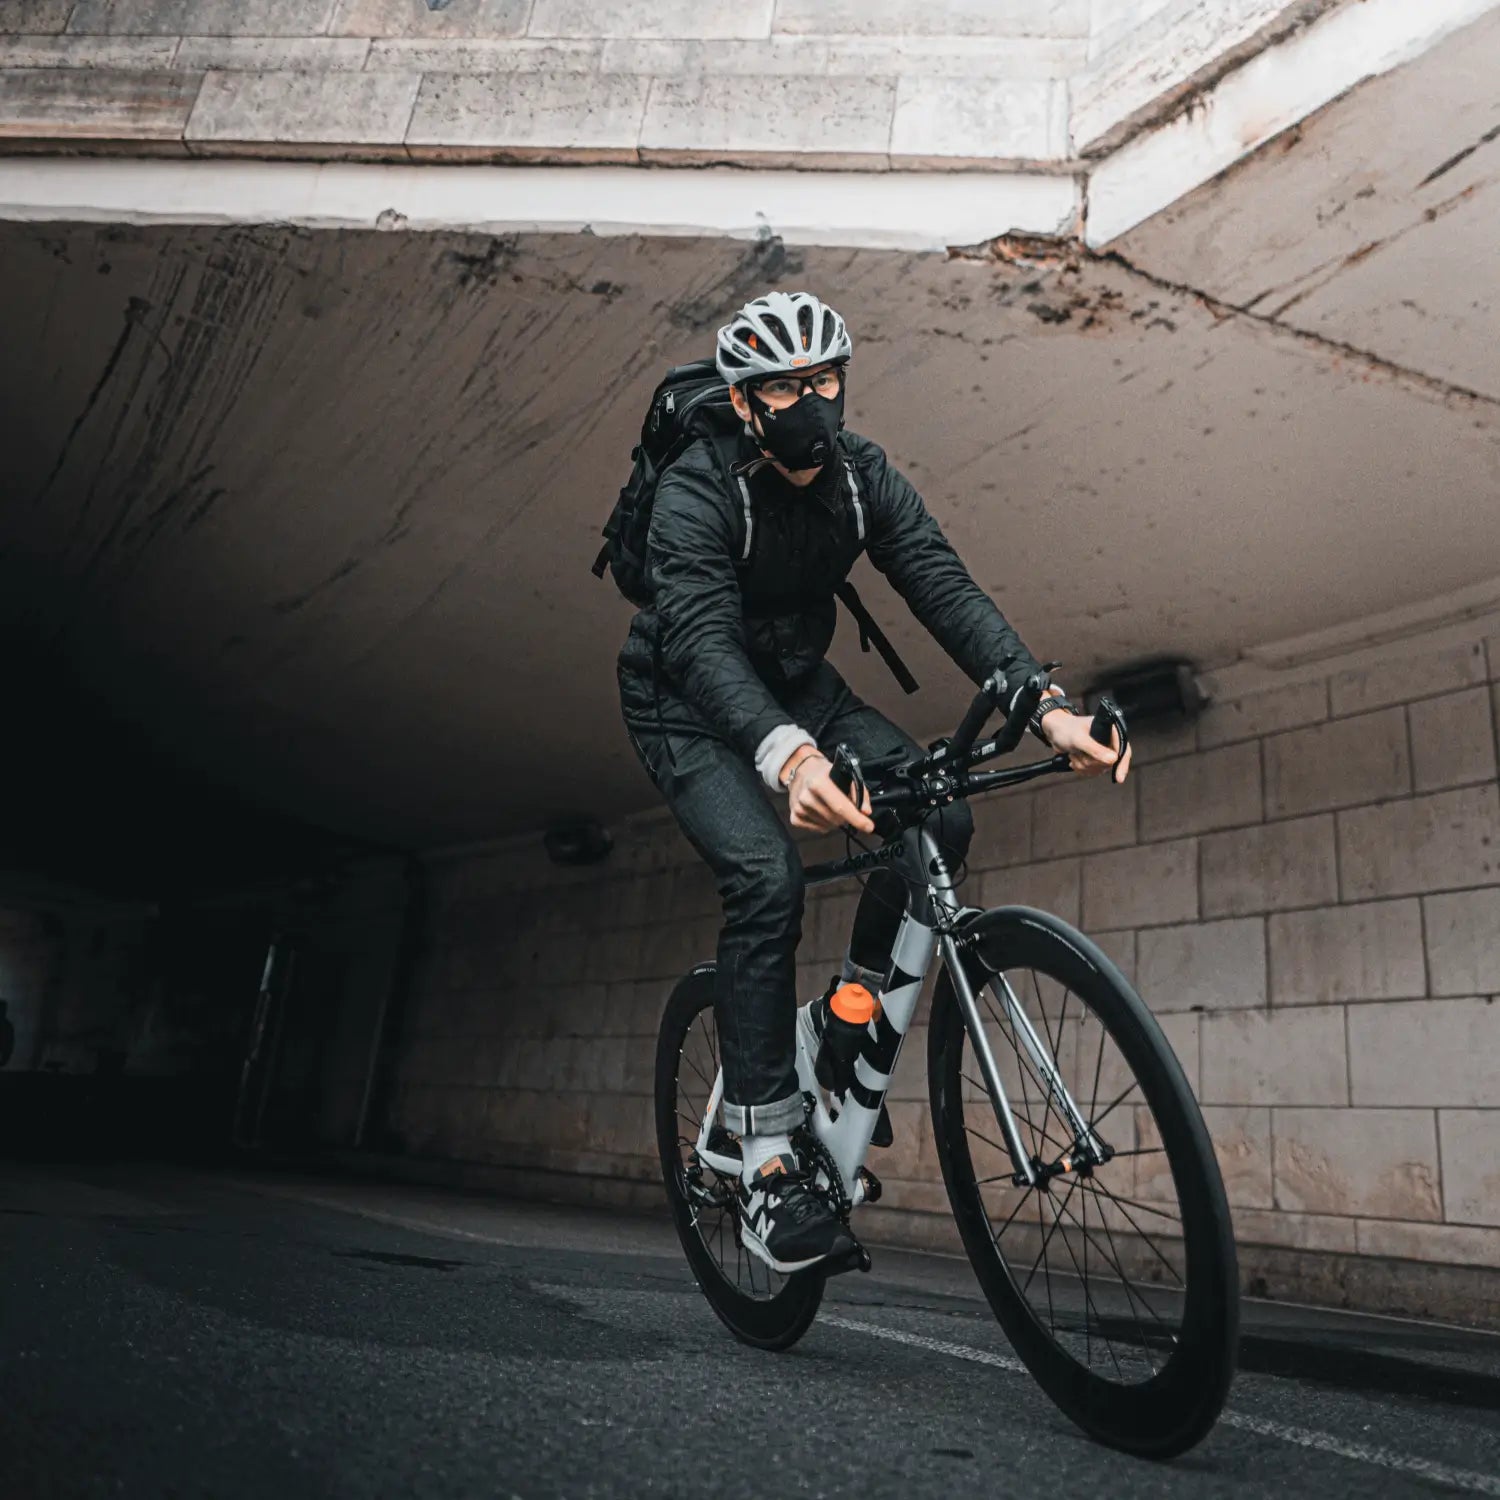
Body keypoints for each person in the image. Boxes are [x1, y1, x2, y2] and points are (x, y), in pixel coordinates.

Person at [617, 291, 1131, 1272]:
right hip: (682, 697)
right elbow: (699, 640)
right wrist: (787, 755)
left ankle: (849, 1013)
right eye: (781, 387)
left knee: (940, 815)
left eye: (823, 379)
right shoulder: (698, 486)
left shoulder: (861, 477)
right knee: (765, 879)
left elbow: (941, 583)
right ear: (747, 401)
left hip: (803, 682)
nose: (809, 400)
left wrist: (1043, 704)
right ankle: (767, 1158)